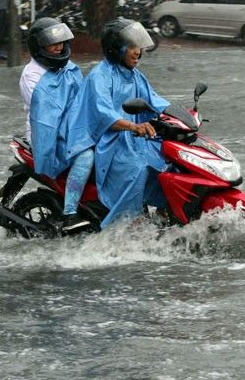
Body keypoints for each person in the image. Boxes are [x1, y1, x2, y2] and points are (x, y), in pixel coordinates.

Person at [67, 18, 170, 229]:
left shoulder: (135, 76)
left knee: (166, 163)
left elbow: (156, 103)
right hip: (107, 141)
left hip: (134, 139)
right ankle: (123, 224)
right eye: (132, 47)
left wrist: (184, 117)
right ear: (117, 49)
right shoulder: (100, 76)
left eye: (139, 47)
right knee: (139, 169)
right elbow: (104, 115)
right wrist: (134, 126)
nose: (138, 52)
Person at [20, 17, 94, 232]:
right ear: (39, 46)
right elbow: (48, 112)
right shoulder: (31, 75)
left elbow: (83, 98)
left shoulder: (68, 68)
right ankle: (70, 213)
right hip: (47, 135)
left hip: (74, 128)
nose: (59, 47)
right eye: (53, 43)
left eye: (61, 42)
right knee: (86, 154)